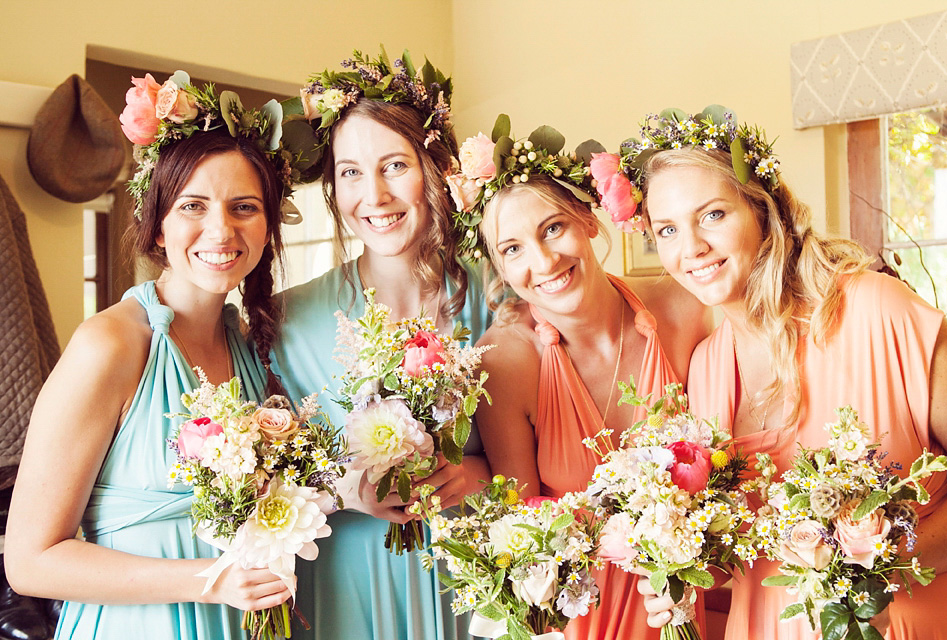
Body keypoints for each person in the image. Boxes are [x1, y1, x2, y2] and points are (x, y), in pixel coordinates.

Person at [615, 106, 947, 640]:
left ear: (763, 210)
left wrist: (883, 561)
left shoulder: (877, 312)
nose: (692, 248)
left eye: (712, 215)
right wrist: (677, 583)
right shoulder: (707, 368)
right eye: (667, 229)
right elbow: (745, 552)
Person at [4, 72, 295, 639]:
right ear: (158, 227)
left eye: (244, 207)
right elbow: (29, 560)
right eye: (192, 206)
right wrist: (209, 580)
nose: (221, 229)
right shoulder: (110, 344)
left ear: (266, 228)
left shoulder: (252, 344)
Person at [270, 49, 492, 640]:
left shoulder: (496, 299)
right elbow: (264, 480)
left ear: (435, 168)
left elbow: (545, 457)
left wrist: (471, 476)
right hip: (347, 582)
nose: (374, 194)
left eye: (395, 165)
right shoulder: (287, 320)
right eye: (349, 172)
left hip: (471, 570)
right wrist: (341, 488)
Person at [469, 120, 711, 640]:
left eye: (553, 228)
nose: (544, 261)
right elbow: (520, 533)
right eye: (512, 249)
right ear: (500, 269)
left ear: (588, 221)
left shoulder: (684, 308)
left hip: (686, 603)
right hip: (581, 617)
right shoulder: (505, 362)